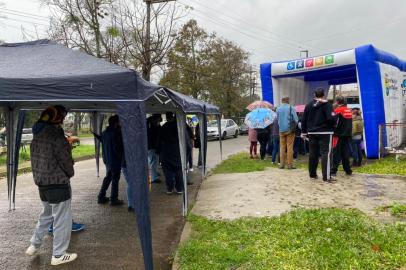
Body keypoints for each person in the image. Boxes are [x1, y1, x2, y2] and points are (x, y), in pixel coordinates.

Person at [26, 106, 77, 265]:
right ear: (58, 119)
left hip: (42, 184)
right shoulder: (57, 137)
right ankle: (59, 255)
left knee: (46, 215)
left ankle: (34, 244)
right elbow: (66, 162)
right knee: (62, 219)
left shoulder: (37, 136)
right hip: (58, 184)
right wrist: (70, 172)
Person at [301, 88, 335, 182]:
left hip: (312, 132)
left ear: (314, 95)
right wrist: (333, 124)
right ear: (323, 95)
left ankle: (312, 174)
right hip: (325, 132)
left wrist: (304, 132)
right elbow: (330, 118)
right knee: (326, 153)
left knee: (313, 153)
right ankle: (326, 177)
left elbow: (304, 119)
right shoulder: (327, 104)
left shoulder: (308, 105)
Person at [97, 115, 124, 206]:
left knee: (108, 178)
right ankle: (113, 199)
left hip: (107, 160)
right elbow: (117, 148)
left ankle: (101, 196)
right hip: (115, 160)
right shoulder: (116, 133)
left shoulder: (104, 132)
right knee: (115, 179)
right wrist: (122, 157)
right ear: (116, 123)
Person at [160, 112, 183, 194]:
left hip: (166, 151)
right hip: (177, 151)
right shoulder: (178, 126)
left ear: (166, 117)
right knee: (178, 170)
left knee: (168, 172)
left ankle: (170, 189)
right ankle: (179, 188)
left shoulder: (163, 127)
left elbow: (159, 141)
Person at [330, 97, 353, 177]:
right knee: (345, 153)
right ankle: (348, 170)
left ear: (337, 102)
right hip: (347, 135)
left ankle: (333, 171)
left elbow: (333, 122)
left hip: (338, 135)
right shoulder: (348, 110)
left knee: (336, 153)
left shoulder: (338, 110)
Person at [276, 97, 298, 169]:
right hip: (290, 130)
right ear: (287, 100)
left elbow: (277, 119)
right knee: (289, 147)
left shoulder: (278, 108)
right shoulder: (291, 108)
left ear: (282, 101)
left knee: (282, 147)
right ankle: (289, 165)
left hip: (281, 130)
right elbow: (296, 119)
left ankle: (282, 164)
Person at [147, 114, 162, 183]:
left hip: (150, 147)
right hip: (152, 147)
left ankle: (154, 174)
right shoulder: (154, 128)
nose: (159, 122)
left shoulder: (149, 126)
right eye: (158, 120)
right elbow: (156, 138)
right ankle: (154, 178)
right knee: (153, 162)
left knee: (153, 162)